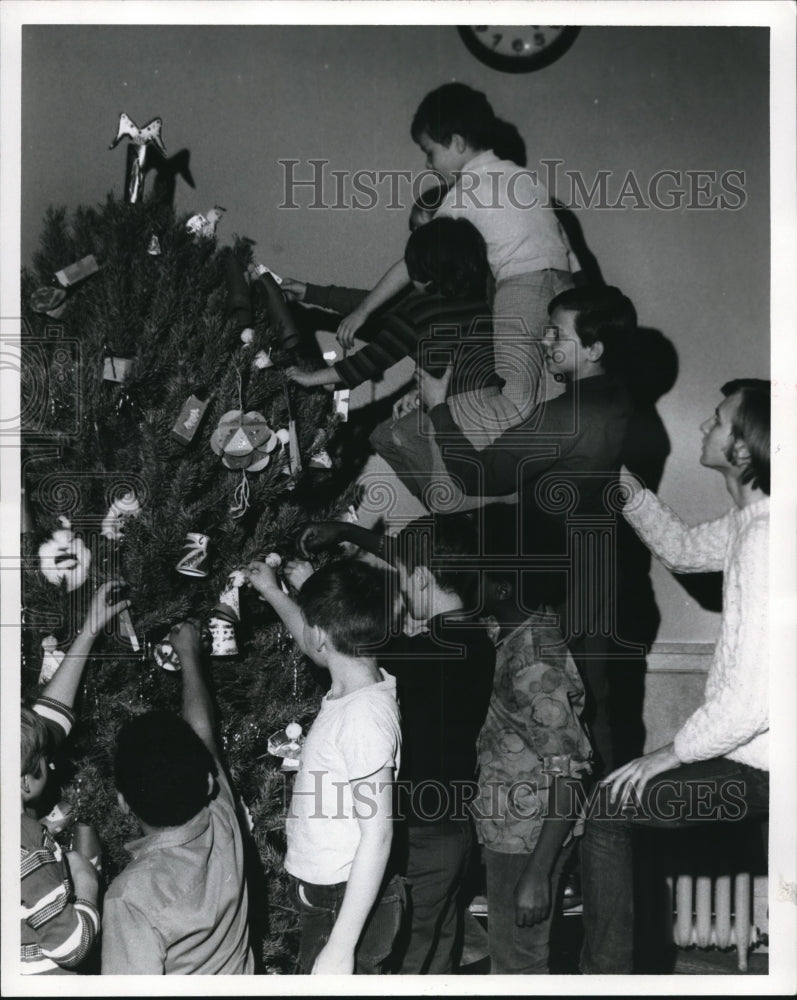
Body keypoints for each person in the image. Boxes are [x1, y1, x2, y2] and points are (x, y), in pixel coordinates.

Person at [579, 378, 771, 974]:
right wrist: (621, 483)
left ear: (742, 449)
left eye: (716, 420)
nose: (702, 427)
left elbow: (749, 705)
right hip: (758, 757)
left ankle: (603, 981)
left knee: (611, 808)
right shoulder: (756, 522)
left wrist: (670, 754)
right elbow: (685, 549)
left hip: (767, 766)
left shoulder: (768, 538)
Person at [419, 285, 638, 776]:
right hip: (602, 560)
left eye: (556, 333)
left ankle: (565, 832)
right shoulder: (620, 399)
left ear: (595, 349)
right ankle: (606, 829)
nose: (545, 340)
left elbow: (477, 475)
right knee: (595, 699)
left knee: (558, 703)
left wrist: (439, 407)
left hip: (558, 575)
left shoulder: (566, 412)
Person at [299, 513, 496, 974]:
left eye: (405, 578)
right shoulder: (472, 638)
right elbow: (422, 564)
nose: (401, 590)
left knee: (408, 959)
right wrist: (347, 532)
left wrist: (301, 594)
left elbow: (332, 646)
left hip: (422, 837)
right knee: (439, 946)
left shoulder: (423, 656)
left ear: (423, 578)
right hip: (453, 828)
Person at [335, 83, 574, 423]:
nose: (428, 165)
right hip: (564, 287)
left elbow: (414, 262)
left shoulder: (464, 191)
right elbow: (565, 247)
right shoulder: (527, 179)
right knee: (560, 383)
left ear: (458, 143)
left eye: (430, 152)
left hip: (521, 288)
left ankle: (501, 463)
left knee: (516, 395)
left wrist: (363, 311)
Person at [244, 558, 404, 975]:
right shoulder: (351, 683)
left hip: (343, 901)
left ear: (320, 633)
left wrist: (340, 947)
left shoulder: (363, 716)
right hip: (331, 892)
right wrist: (274, 591)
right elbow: (316, 644)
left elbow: (379, 833)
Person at [286, 217, 516, 505]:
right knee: (387, 436)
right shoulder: (478, 303)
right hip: (493, 409)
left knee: (455, 500)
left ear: (425, 274)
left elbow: (363, 365)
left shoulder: (417, 311)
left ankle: (442, 508)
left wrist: (308, 377)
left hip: (456, 413)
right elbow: (457, 360)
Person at [101, 621, 255, 974]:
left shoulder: (130, 897)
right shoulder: (222, 820)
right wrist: (189, 654)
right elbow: (203, 730)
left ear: (123, 801)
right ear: (207, 783)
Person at [473, 528, 593, 974]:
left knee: (518, 963)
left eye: (476, 577)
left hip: (529, 834)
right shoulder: (507, 629)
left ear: (502, 588)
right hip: (507, 824)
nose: (467, 585)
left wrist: (538, 872)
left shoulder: (536, 664)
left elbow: (570, 774)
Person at [21, 581, 129, 975]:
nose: (51, 766)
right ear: (22, 782)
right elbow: (71, 947)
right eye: (42, 763)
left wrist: (90, 629)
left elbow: (46, 724)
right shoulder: (23, 848)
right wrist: (85, 883)